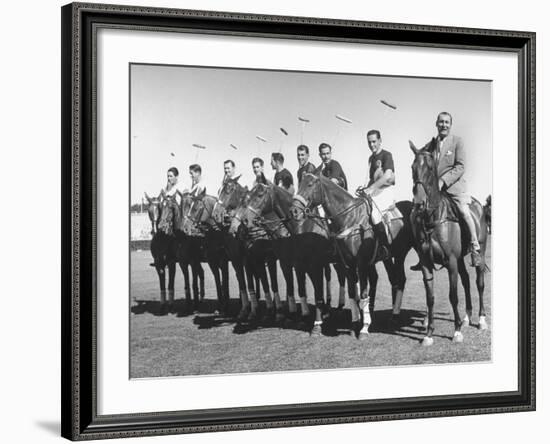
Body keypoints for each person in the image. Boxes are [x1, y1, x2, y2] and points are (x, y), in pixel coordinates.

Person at [416, 111, 481, 267]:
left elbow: (461, 166)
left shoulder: (457, 141)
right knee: (418, 214)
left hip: (454, 189)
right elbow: (421, 157)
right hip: (435, 192)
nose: (444, 125)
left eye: (447, 122)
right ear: (436, 124)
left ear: (450, 125)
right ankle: (423, 254)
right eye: (441, 122)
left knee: (464, 212)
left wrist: (443, 181)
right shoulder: (431, 144)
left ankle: (474, 247)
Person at [356, 130, 395, 259]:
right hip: (376, 191)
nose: (372, 144)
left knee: (374, 214)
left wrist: (371, 188)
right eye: (369, 142)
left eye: (374, 141)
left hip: (386, 190)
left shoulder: (386, 155)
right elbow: (371, 179)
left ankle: (385, 248)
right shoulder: (370, 158)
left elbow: (388, 175)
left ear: (380, 141)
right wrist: (364, 189)